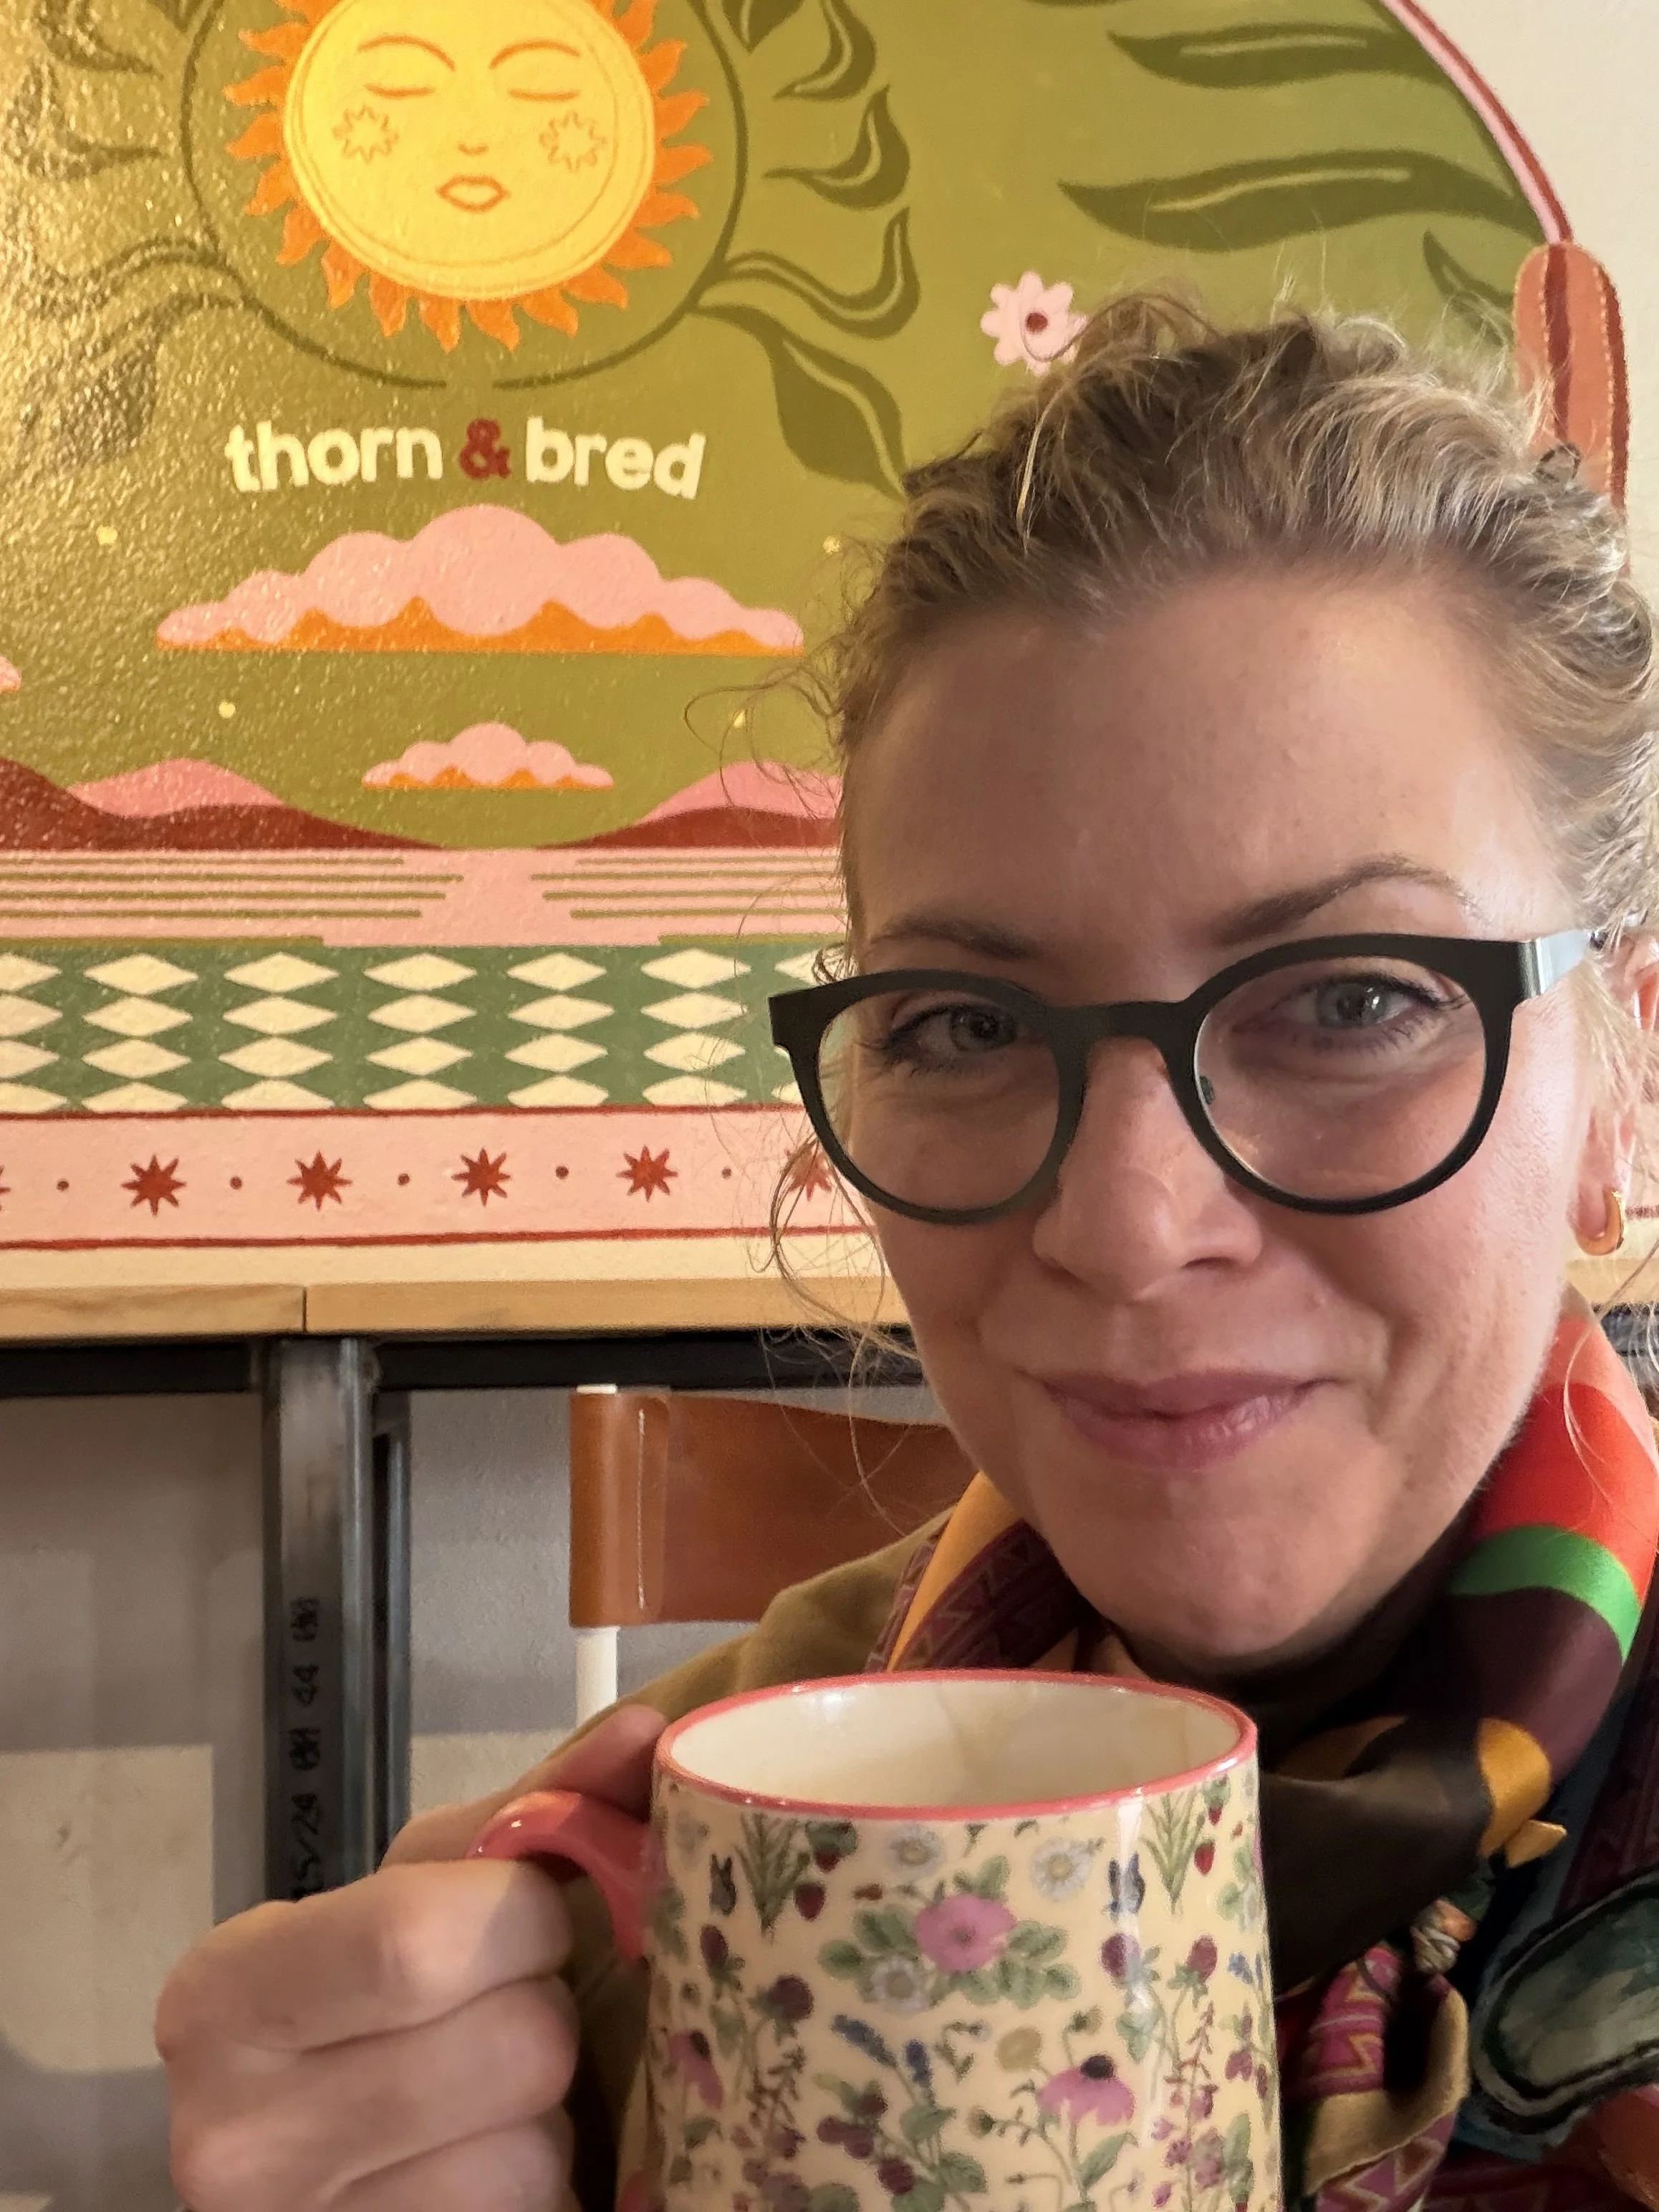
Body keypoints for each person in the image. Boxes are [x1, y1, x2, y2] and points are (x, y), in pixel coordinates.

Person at [156, 294, 1659, 2212]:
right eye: (960, 1026)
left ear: (1618, 1087)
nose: (1121, 1229)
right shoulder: (692, 1853)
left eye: (1350, 1001)